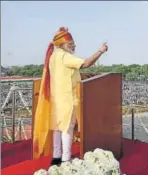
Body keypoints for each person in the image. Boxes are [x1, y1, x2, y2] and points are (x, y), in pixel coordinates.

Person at [32, 27, 108, 166]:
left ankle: (56, 157)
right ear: (61, 44)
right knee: (67, 128)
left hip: (56, 99)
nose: (73, 46)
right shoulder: (65, 56)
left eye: (73, 43)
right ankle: (66, 159)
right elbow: (86, 64)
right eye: (70, 44)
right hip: (67, 98)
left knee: (57, 128)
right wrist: (100, 51)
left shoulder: (53, 56)